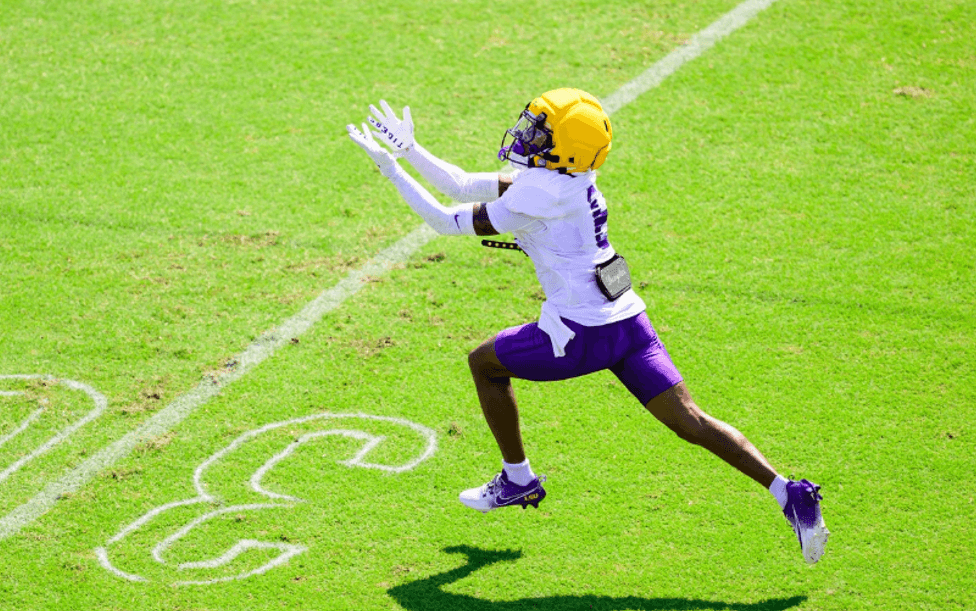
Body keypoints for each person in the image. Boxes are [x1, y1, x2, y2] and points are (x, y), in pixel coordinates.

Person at [345, 89, 829, 564]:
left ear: (566, 149)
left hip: (580, 333)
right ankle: (788, 491)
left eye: (542, 132)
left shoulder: (542, 191)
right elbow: (464, 184)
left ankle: (518, 478)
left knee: (485, 364)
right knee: (691, 420)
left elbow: (445, 219)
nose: (528, 135)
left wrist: (392, 170)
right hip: (628, 322)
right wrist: (411, 149)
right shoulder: (570, 176)